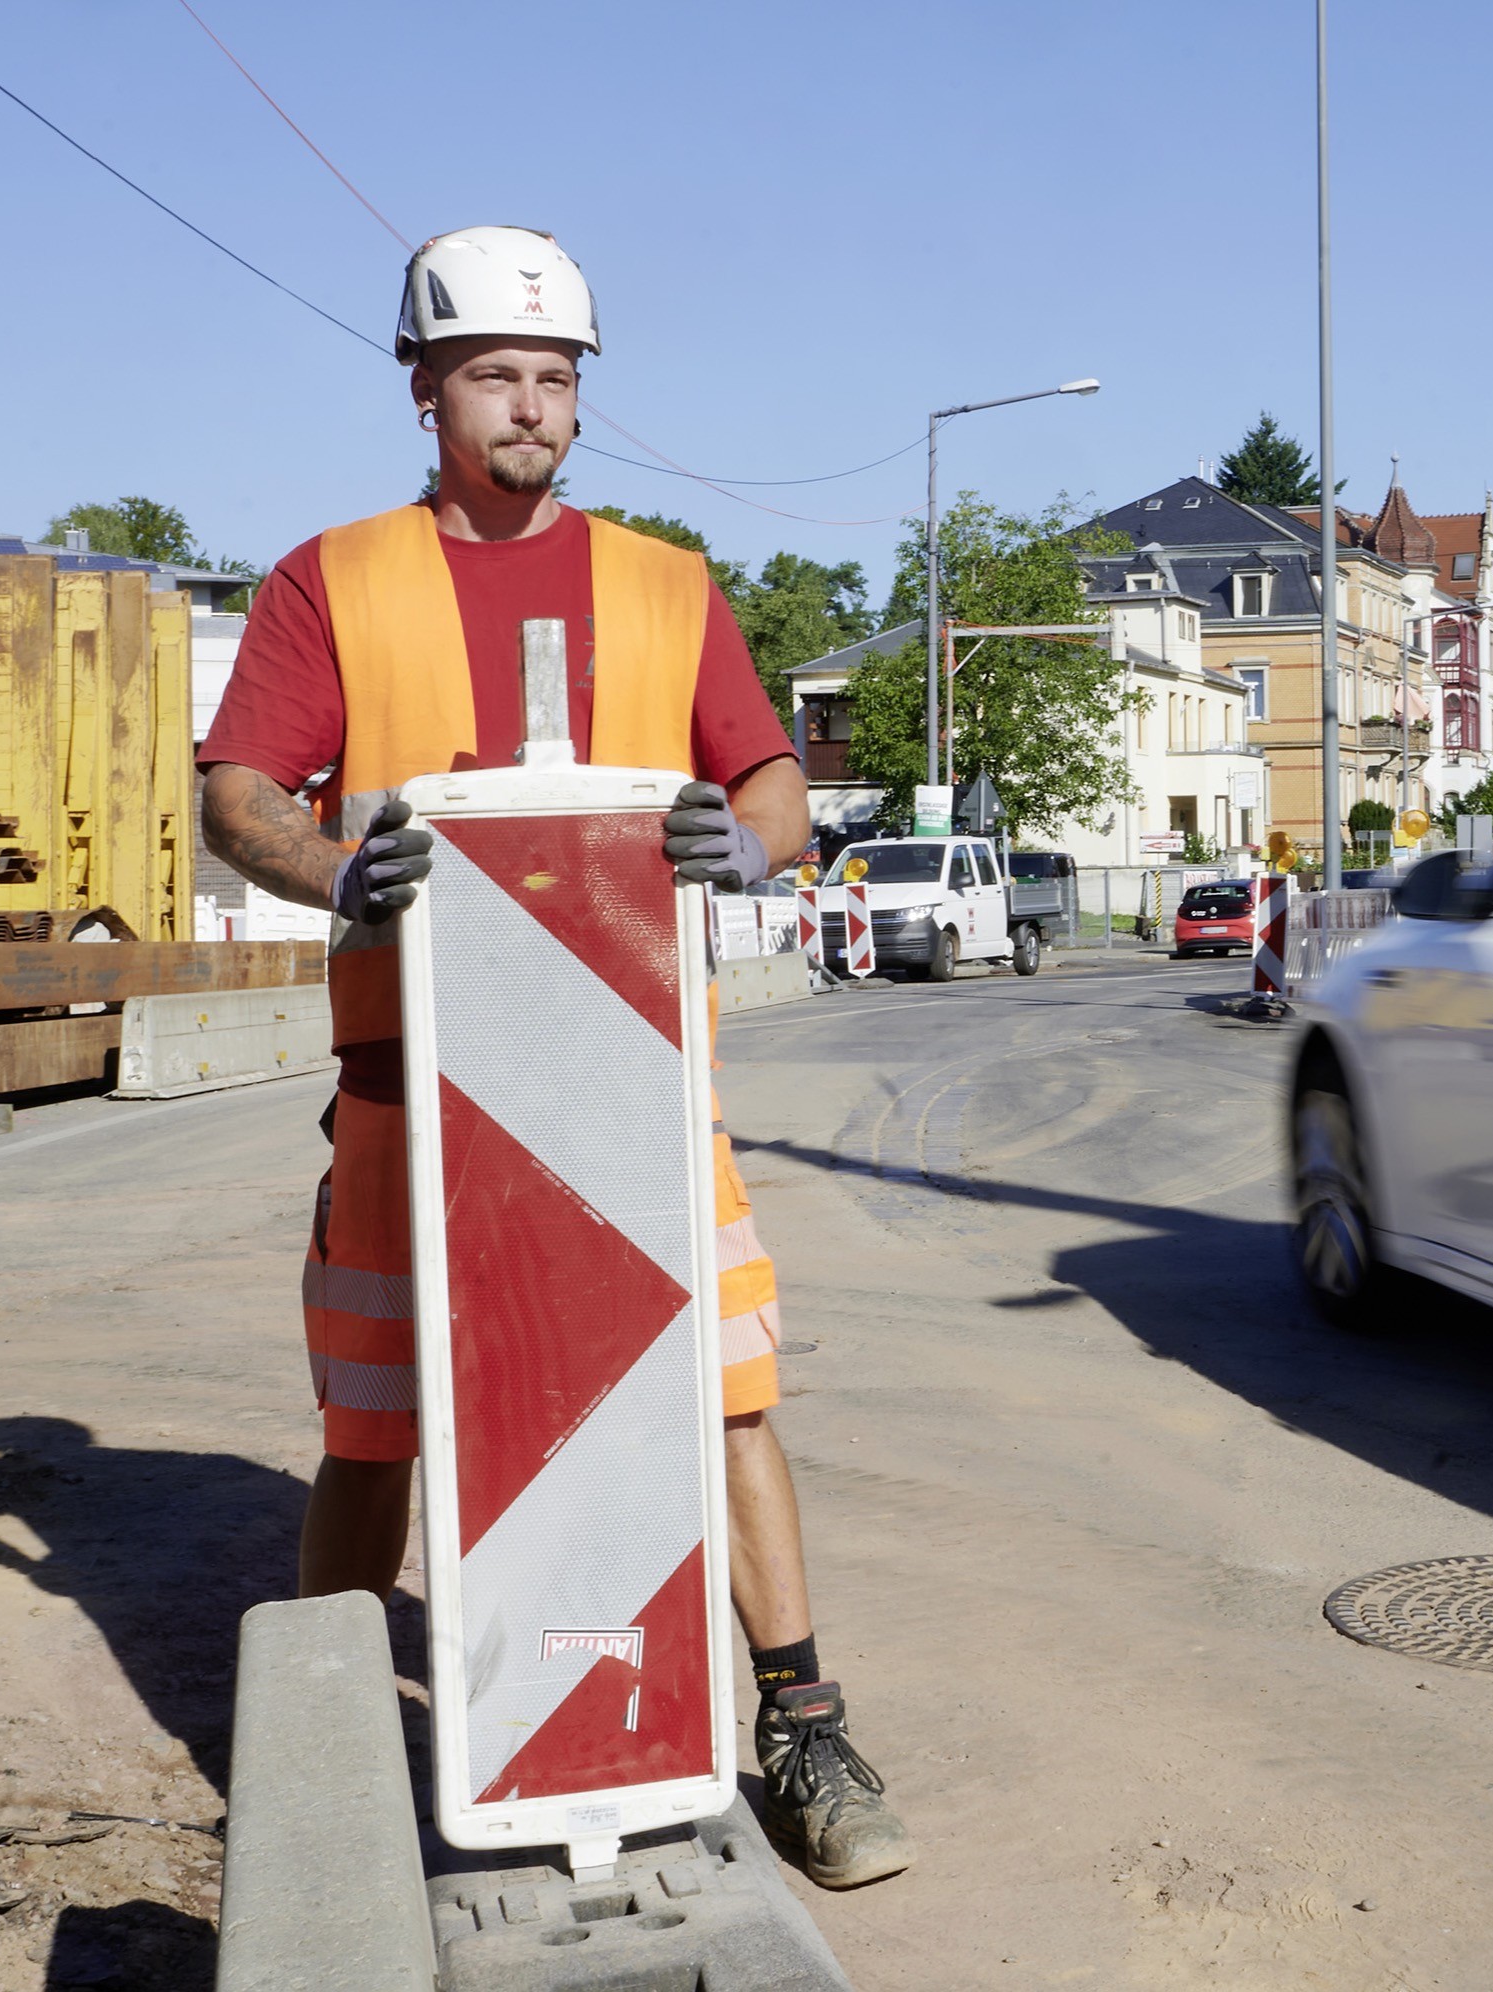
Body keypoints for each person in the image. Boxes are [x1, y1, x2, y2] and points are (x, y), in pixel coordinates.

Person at [195, 225, 906, 1890]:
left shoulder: (665, 580)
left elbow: (775, 785)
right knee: (379, 1427)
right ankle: (330, 1747)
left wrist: (752, 850)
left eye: (557, 379)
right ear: (427, 391)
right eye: (497, 375)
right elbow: (239, 794)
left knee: (724, 1402)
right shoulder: (333, 577)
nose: (531, 406)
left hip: (642, 1097)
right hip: (401, 1102)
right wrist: (331, 864)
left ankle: (796, 1723)